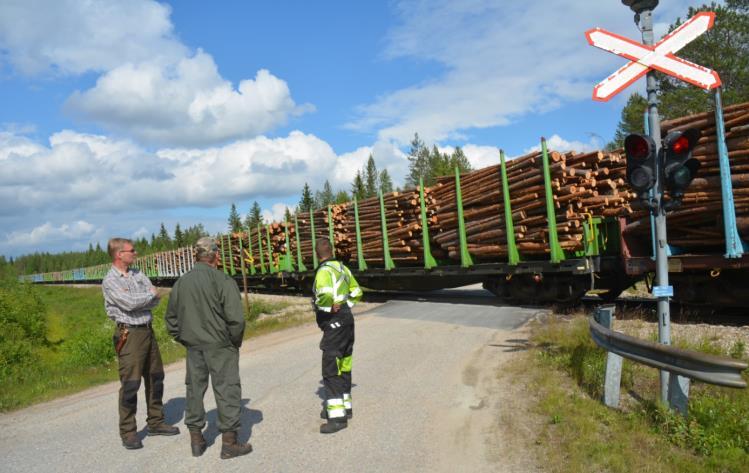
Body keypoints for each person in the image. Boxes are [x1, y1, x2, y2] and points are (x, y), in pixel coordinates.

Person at [165, 237, 252, 459]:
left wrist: (186, 339)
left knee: (194, 390)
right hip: (221, 346)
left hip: (194, 347)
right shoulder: (222, 280)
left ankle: (196, 440)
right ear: (215, 255)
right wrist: (234, 341)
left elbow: (172, 320)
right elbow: (236, 320)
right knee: (227, 389)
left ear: (196, 256)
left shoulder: (181, 283)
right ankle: (229, 443)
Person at [102, 238, 180, 450]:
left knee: (156, 378)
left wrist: (144, 298)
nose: (135, 253)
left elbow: (155, 300)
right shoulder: (110, 280)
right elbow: (129, 304)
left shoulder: (138, 274)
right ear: (119, 254)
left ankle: (155, 422)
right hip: (129, 335)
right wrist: (147, 296)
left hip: (147, 331)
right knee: (131, 384)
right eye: (131, 250)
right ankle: (128, 432)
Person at [313, 238, 362, 434]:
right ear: (331, 251)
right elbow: (357, 291)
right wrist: (345, 306)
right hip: (347, 320)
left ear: (317, 255)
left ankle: (337, 418)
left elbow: (324, 294)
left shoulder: (324, 271)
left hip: (334, 323)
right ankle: (345, 407)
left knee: (331, 369)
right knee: (345, 364)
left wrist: (327, 307)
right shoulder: (343, 269)